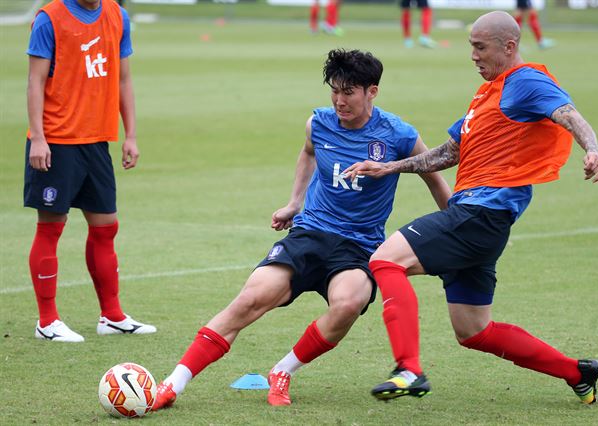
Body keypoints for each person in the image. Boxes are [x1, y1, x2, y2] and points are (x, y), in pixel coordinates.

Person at [151, 48, 451, 409]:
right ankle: (172, 384)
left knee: (349, 302)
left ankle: (283, 370)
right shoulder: (319, 123)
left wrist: (454, 227)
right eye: (334, 91)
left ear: (372, 91)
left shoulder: (398, 134)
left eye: (349, 92)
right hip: (310, 233)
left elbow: (432, 174)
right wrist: (295, 202)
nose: (339, 101)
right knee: (250, 299)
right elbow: (308, 152)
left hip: (358, 247)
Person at [343, 11, 598, 405]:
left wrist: (593, 149)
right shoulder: (488, 95)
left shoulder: (526, 81)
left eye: (480, 47)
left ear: (509, 47)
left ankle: (408, 368)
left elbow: (569, 115)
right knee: (473, 331)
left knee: (385, 261)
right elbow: (450, 152)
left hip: (479, 213)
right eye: (471, 47)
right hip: (483, 223)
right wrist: (390, 167)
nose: (473, 56)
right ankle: (576, 372)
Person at [25, 0, 156, 342]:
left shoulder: (117, 15)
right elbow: (35, 81)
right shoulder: (49, 18)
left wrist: (130, 135)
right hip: (56, 140)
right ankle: (47, 321)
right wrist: (38, 138)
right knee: (51, 228)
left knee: (105, 228)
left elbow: (123, 79)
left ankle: (111, 316)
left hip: (97, 141)